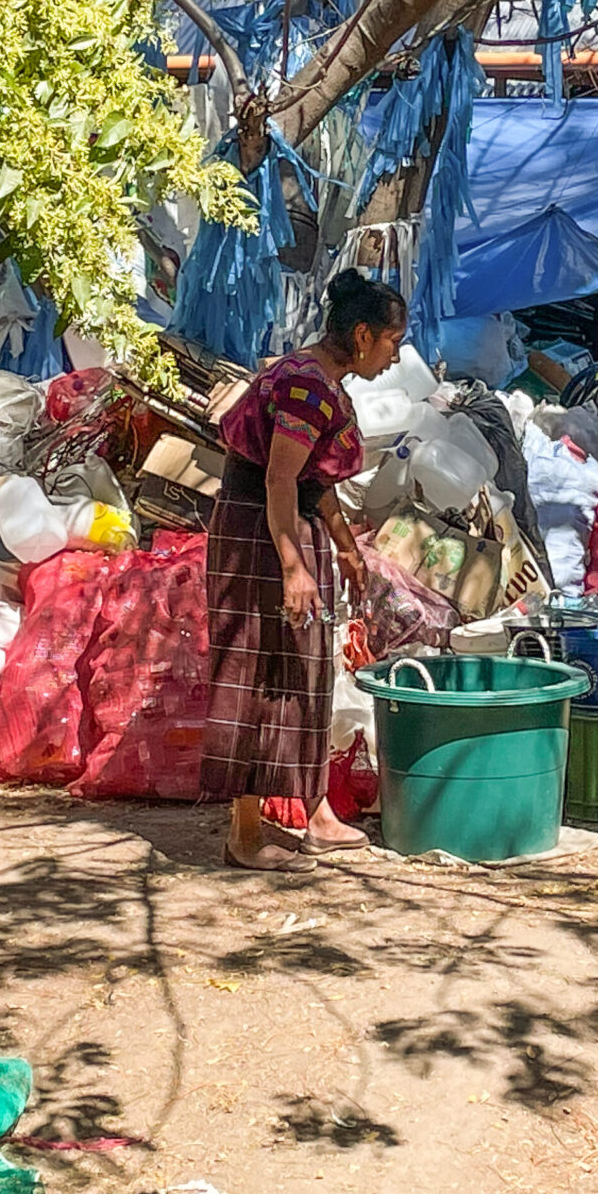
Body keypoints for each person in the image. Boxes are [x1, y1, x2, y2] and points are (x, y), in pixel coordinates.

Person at [201, 268, 408, 872]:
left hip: (292, 529)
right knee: (257, 667)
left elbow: (314, 481)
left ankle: (315, 813)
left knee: (307, 666)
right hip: (261, 534)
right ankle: (245, 831)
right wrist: (293, 564)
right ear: (365, 335)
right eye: (393, 342)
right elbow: (279, 478)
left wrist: (344, 544)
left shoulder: (323, 380)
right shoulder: (304, 385)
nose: (396, 358)